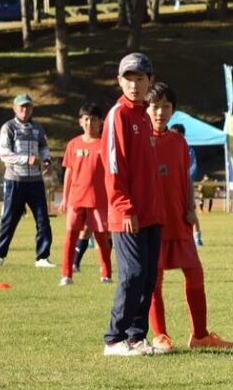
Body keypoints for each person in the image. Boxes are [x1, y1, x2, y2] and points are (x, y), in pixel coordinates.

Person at [145, 82, 233, 352]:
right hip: (153, 223)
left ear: (173, 110)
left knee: (195, 274)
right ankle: (160, 335)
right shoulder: (139, 141)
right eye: (155, 106)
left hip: (180, 221)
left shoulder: (179, 142)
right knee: (154, 281)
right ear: (145, 108)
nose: (160, 112)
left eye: (166, 106)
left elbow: (185, 177)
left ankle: (200, 335)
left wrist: (191, 209)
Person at [102, 53, 163, 357]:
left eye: (140, 78)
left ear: (150, 81)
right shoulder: (118, 115)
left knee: (149, 275)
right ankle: (114, 339)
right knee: (133, 274)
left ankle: (136, 337)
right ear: (119, 81)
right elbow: (114, 166)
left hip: (152, 214)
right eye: (129, 78)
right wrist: (125, 207)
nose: (134, 84)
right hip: (128, 214)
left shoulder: (144, 116)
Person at [0, 94, 54, 268]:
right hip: (14, 181)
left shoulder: (38, 128)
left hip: (35, 182)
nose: (25, 110)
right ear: (14, 108)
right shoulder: (8, 127)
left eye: (28, 107)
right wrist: (26, 159)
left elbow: (44, 148)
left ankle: (42, 257)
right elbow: (4, 154)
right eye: (21, 107)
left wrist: (47, 161)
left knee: (43, 219)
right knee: (9, 219)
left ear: (32, 108)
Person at [58, 103, 111, 286]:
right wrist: (65, 197)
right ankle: (66, 274)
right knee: (70, 236)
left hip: (99, 200)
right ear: (81, 121)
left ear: (101, 122)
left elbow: (111, 174)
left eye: (94, 119)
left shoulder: (105, 144)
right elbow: (69, 172)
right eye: (86, 119)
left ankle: (106, 273)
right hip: (76, 199)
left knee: (102, 238)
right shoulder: (73, 144)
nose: (90, 123)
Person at [172, 124, 203, 246]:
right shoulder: (167, 147)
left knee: (190, 211)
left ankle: (197, 237)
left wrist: (186, 180)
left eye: (176, 134)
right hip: (172, 186)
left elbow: (192, 168)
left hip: (185, 185)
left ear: (182, 135)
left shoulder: (189, 150)